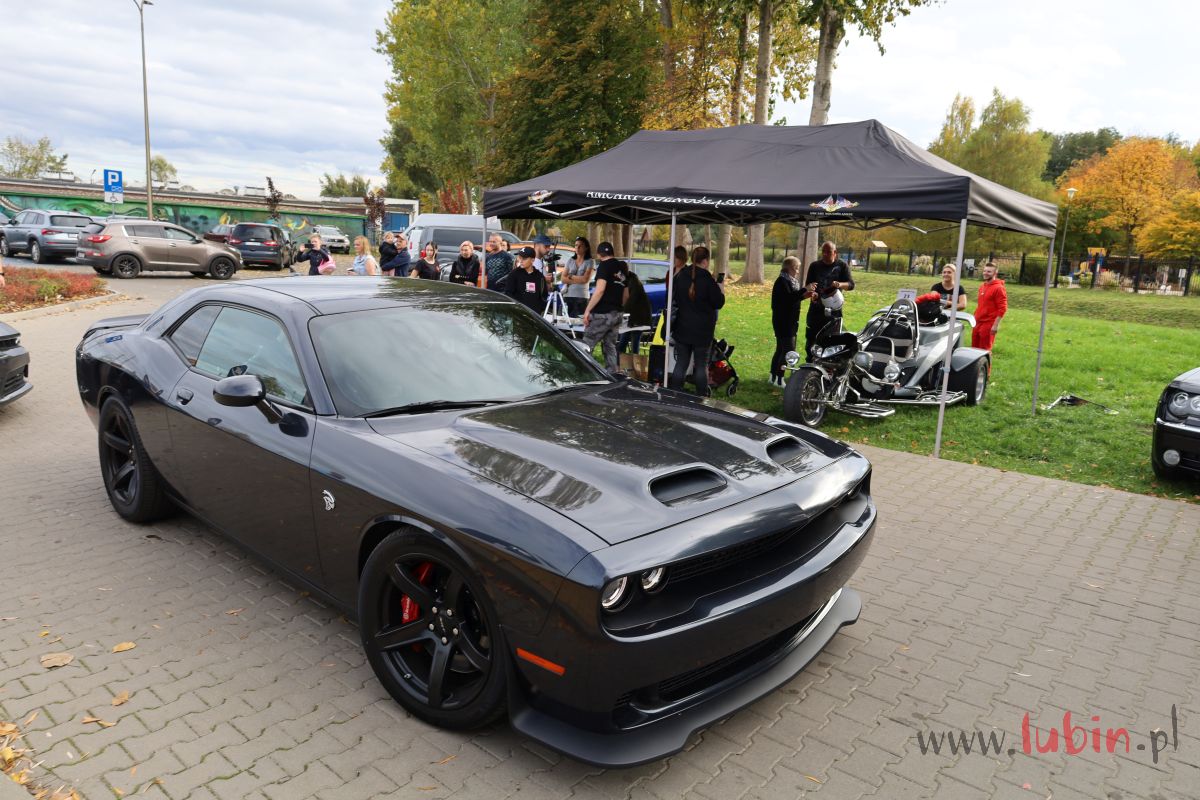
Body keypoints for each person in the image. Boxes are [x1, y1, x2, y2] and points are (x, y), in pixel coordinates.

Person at [669, 246, 725, 396]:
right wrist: (721, 288)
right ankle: (701, 396)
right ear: (705, 261)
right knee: (701, 365)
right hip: (702, 330)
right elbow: (719, 302)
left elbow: (674, 299)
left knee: (681, 362)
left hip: (682, 327)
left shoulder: (681, 276)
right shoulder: (708, 280)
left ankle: (675, 393)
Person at [581, 242, 629, 373]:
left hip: (602, 314)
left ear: (599, 255)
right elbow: (626, 294)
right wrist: (619, 307)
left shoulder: (603, 266)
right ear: (612, 253)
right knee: (610, 346)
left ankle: (584, 373)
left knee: (586, 345)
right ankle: (612, 374)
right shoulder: (621, 267)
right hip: (617, 313)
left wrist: (587, 310)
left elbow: (600, 290)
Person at [804, 241, 854, 359]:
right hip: (816, 310)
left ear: (835, 253)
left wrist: (840, 284)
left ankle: (828, 365)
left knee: (832, 341)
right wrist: (813, 294)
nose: (825, 254)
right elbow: (808, 285)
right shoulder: (814, 266)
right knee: (811, 341)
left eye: (828, 252)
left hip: (834, 310)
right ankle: (810, 364)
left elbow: (851, 285)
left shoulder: (842, 266)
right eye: (823, 252)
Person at [770, 256, 805, 386]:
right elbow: (789, 299)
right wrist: (804, 290)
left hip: (786, 321)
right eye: (796, 268)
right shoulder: (782, 282)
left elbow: (792, 298)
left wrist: (804, 295)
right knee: (788, 351)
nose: (798, 271)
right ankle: (779, 379)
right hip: (784, 322)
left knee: (781, 349)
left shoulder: (787, 281)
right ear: (790, 268)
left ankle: (773, 376)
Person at [972, 261, 1007, 350]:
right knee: (974, 349)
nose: (985, 273)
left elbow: (1002, 308)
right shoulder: (982, 286)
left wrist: (995, 325)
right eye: (984, 271)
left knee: (984, 350)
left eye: (989, 271)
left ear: (995, 273)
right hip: (978, 322)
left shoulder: (999, 288)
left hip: (989, 323)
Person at [504, 246, 548, 313]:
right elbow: (508, 294)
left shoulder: (539, 276)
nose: (521, 261)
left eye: (524, 258)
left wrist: (539, 309)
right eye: (520, 258)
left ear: (532, 260)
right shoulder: (514, 274)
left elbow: (544, 296)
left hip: (535, 314)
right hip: (518, 314)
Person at [560, 236, 595, 318]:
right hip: (567, 295)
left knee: (579, 321)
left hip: (582, 297)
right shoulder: (570, 260)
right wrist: (579, 279)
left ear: (586, 248)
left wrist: (571, 276)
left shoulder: (590, 261)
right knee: (565, 320)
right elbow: (563, 279)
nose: (577, 248)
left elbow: (585, 279)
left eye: (580, 246)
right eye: (576, 245)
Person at [619, 268, 652, 354]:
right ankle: (629, 360)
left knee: (625, 343)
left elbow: (629, 303)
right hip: (636, 317)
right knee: (632, 343)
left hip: (636, 318)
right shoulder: (632, 280)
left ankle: (623, 360)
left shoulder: (631, 284)